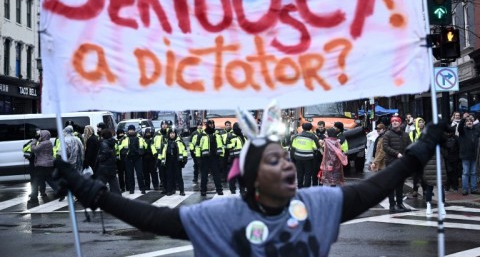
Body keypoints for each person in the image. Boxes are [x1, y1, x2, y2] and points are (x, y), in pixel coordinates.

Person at [52, 106, 449, 257]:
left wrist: (419, 151)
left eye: (286, 159)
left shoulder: (314, 205)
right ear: (253, 178)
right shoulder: (222, 215)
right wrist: (94, 193)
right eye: (276, 161)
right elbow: (152, 220)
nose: (289, 166)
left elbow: (373, 189)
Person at [383, 115, 412, 213]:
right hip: (391, 162)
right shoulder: (387, 134)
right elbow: (385, 147)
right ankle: (392, 205)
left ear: (400, 123)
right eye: (393, 121)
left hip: (402, 162)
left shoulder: (405, 135)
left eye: (396, 121)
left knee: (400, 184)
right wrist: (397, 154)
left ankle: (400, 204)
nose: (394, 122)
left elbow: (409, 146)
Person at [290, 122, 321, 188]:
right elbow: (316, 148)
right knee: (308, 173)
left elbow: (293, 148)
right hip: (308, 159)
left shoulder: (296, 136)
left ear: (302, 128)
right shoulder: (313, 137)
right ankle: (306, 187)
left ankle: (300, 186)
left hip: (298, 157)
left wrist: (293, 159)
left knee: (300, 173)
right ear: (310, 129)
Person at [29, 130, 57, 204]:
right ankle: (60, 191)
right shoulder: (49, 143)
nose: (39, 136)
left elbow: (33, 149)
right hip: (48, 164)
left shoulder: (43, 143)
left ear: (44, 136)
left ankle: (34, 198)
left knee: (35, 181)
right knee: (49, 179)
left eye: (40, 135)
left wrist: (34, 141)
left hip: (41, 165)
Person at [197, 120, 224, 196]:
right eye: (210, 124)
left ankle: (219, 190)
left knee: (216, 175)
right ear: (207, 125)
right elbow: (197, 147)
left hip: (215, 158)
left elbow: (221, 146)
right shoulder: (202, 135)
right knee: (204, 176)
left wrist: (221, 157)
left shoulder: (217, 134)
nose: (211, 125)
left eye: (212, 124)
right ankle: (203, 190)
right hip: (205, 158)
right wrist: (198, 159)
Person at [118, 125, 147, 194]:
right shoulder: (124, 138)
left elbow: (145, 146)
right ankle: (131, 189)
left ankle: (142, 188)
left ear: (134, 130)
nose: (131, 131)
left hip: (137, 158)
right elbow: (119, 147)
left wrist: (140, 152)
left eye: (132, 130)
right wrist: (125, 153)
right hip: (128, 158)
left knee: (140, 174)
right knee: (130, 175)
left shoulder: (139, 137)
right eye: (130, 130)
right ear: (128, 130)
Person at [160, 130, 187, 196]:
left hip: (177, 160)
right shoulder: (165, 142)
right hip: (168, 160)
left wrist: (184, 159)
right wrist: (161, 160)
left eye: (173, 133)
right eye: (171, 133)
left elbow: (184, 150)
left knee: (179, 176)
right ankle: (170, 190)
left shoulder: (179, 141)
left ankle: (182, 191)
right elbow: (162, 152)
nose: (172, 135)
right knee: (169, 176)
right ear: (169, 134)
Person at [95, 129, 122, 195]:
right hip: (111, 167)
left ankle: (95, 199)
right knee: (114, 186)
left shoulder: (103, 143)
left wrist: (97, 158)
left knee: (99, 186)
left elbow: (104, 155)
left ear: (103, 136)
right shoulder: (112, 142)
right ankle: (119, 201)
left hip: (104, 168)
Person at [458, 116, 480, 195]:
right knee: (465, 173)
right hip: (465, 155)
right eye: (467, 121)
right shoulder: (462, 130)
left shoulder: (476, 130)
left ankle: (474, 189)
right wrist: (463, 119)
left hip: (474, 155)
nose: (469, 122)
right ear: (465, 123)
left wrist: (477, 122)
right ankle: (465, 189)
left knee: (473, 173)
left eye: (471, 121)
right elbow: (459, 127)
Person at [227, 122, 246, 194]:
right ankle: (232, 189)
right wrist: (233, 144)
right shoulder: (230, 135)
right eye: (239, 127)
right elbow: (227, 146)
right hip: (233, 158)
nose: (240, 128)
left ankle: (242, 189)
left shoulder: (242, 136)